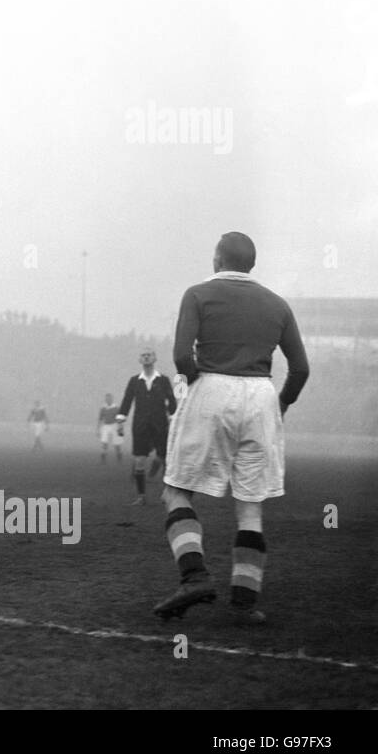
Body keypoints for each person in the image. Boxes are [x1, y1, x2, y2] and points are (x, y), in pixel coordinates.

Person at [152, 232, 309, 625]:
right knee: (250, 506)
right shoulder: (278, 304)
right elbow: (301, 369)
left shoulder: (197, 294)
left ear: (218, 259)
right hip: (261, 397)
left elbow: (180, 355)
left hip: (212, 387)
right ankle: (245, 602)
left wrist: (194, 384)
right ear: (251, 264)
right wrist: (282, 405)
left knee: (176, 490)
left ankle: (195, 576)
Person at [116, 349, 178, 505]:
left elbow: (171, 400)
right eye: (143, 355)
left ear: (155, 358)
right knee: (139, 460)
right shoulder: (134, 381)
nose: (146, 357)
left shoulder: (163, 380)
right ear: (140, 360)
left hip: (160, 424)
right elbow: (127, 400)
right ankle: (141, 496)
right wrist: (121, 420)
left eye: (149, 354)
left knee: (165, 460)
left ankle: (167, 494)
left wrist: (174, 418)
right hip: (140, 424)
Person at [97, 393, 122, 464]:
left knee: (117, 443)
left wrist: (120, 428)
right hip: (106, 425)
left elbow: (120, 419)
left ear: (112, 399)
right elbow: (100, 419)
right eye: (107, 399)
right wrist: (98, 429)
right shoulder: (103, 408)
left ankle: (119, 457)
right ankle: (103, 459)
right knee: (104, 442)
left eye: (109, 398)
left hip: (114, 425)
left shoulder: (116, 408)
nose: (108, 400)